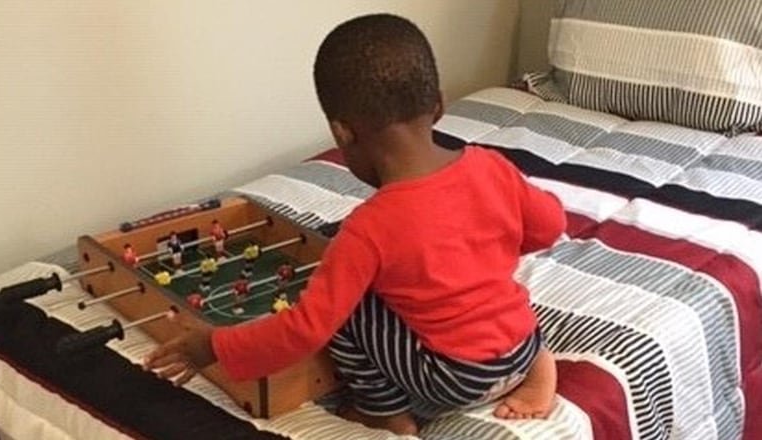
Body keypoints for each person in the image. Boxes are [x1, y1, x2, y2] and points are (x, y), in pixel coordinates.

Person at [143, 13, 565, 435]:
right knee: (496, 295)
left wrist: (211, 346)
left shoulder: (369, 228)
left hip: (454, 380)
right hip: (520, 345)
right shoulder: (492, 166)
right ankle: (537, 368)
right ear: (438, 103)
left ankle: (386, 413)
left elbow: (307, 328)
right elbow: (549, 226)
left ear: (341, 132)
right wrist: (478, 246)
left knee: (348, 303)